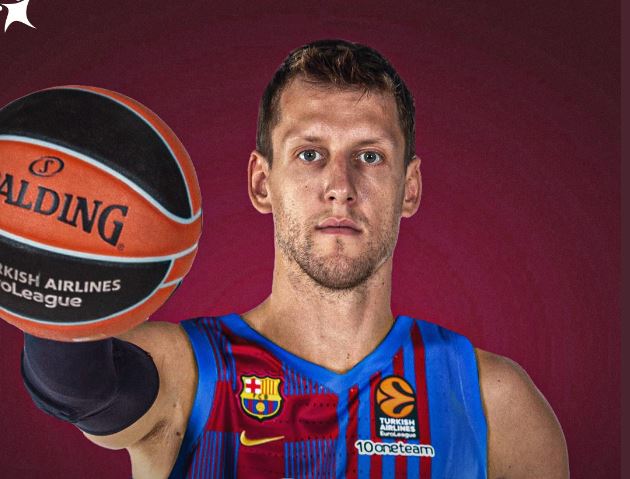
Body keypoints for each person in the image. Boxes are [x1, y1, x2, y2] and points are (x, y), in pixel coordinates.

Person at [18, 39, 569, 478]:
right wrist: (54, 244)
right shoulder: (190, 372)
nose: (340, 186)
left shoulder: (494, 402)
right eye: (310, 154)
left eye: (370, 156)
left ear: (410, 187)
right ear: (262, 183)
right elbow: (80, 386)